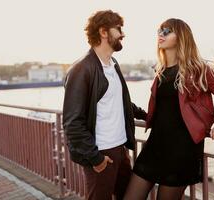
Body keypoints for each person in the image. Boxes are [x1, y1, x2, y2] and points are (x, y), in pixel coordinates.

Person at [124, 18, 214, 200]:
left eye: (167, 31)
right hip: (155, 146)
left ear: (181, 37)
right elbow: (164, 110)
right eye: (159, 30)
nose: (161, 34)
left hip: (182, 150)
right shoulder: (161, 71)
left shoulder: (199, 69)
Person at [62, 10, 146, 200]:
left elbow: (121, 102)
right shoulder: (82, 69)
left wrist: (149, 116)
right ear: (103, 32)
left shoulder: (112, 64)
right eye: (118, 28)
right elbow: (72, 122)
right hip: (101, 153)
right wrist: (95, 158)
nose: (122, 34)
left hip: (119, 149)